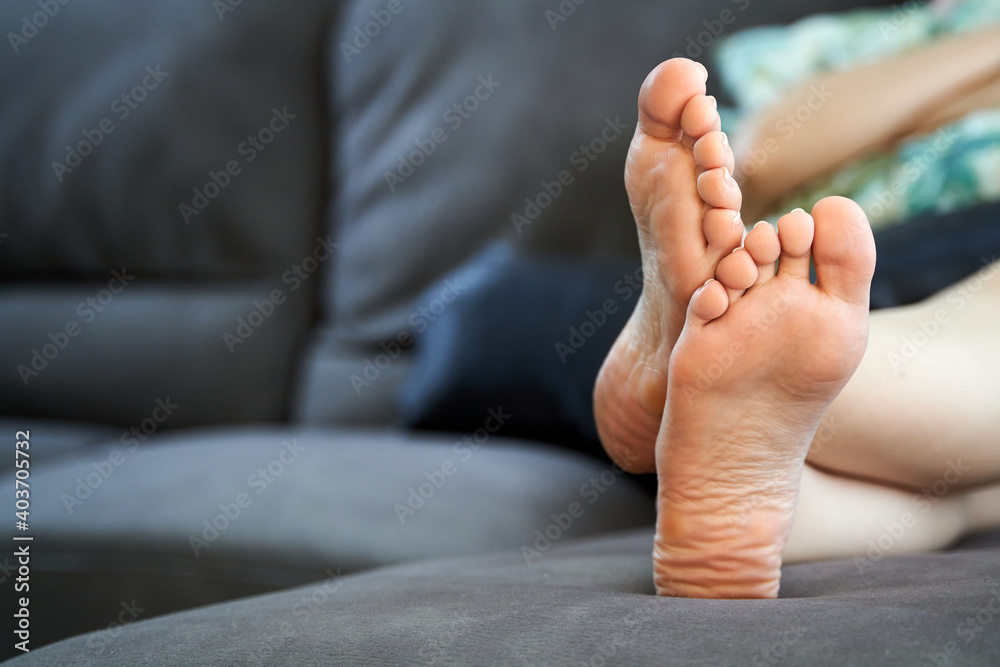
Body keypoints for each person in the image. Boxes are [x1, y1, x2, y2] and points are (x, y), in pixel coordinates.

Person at [592, 51, 1000, 598]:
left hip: (820, 288)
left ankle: (761, 467)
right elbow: (762, 156)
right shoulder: (887, 35)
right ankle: (746, 385)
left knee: (965, 498)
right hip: (816, 271)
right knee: (966, 492)